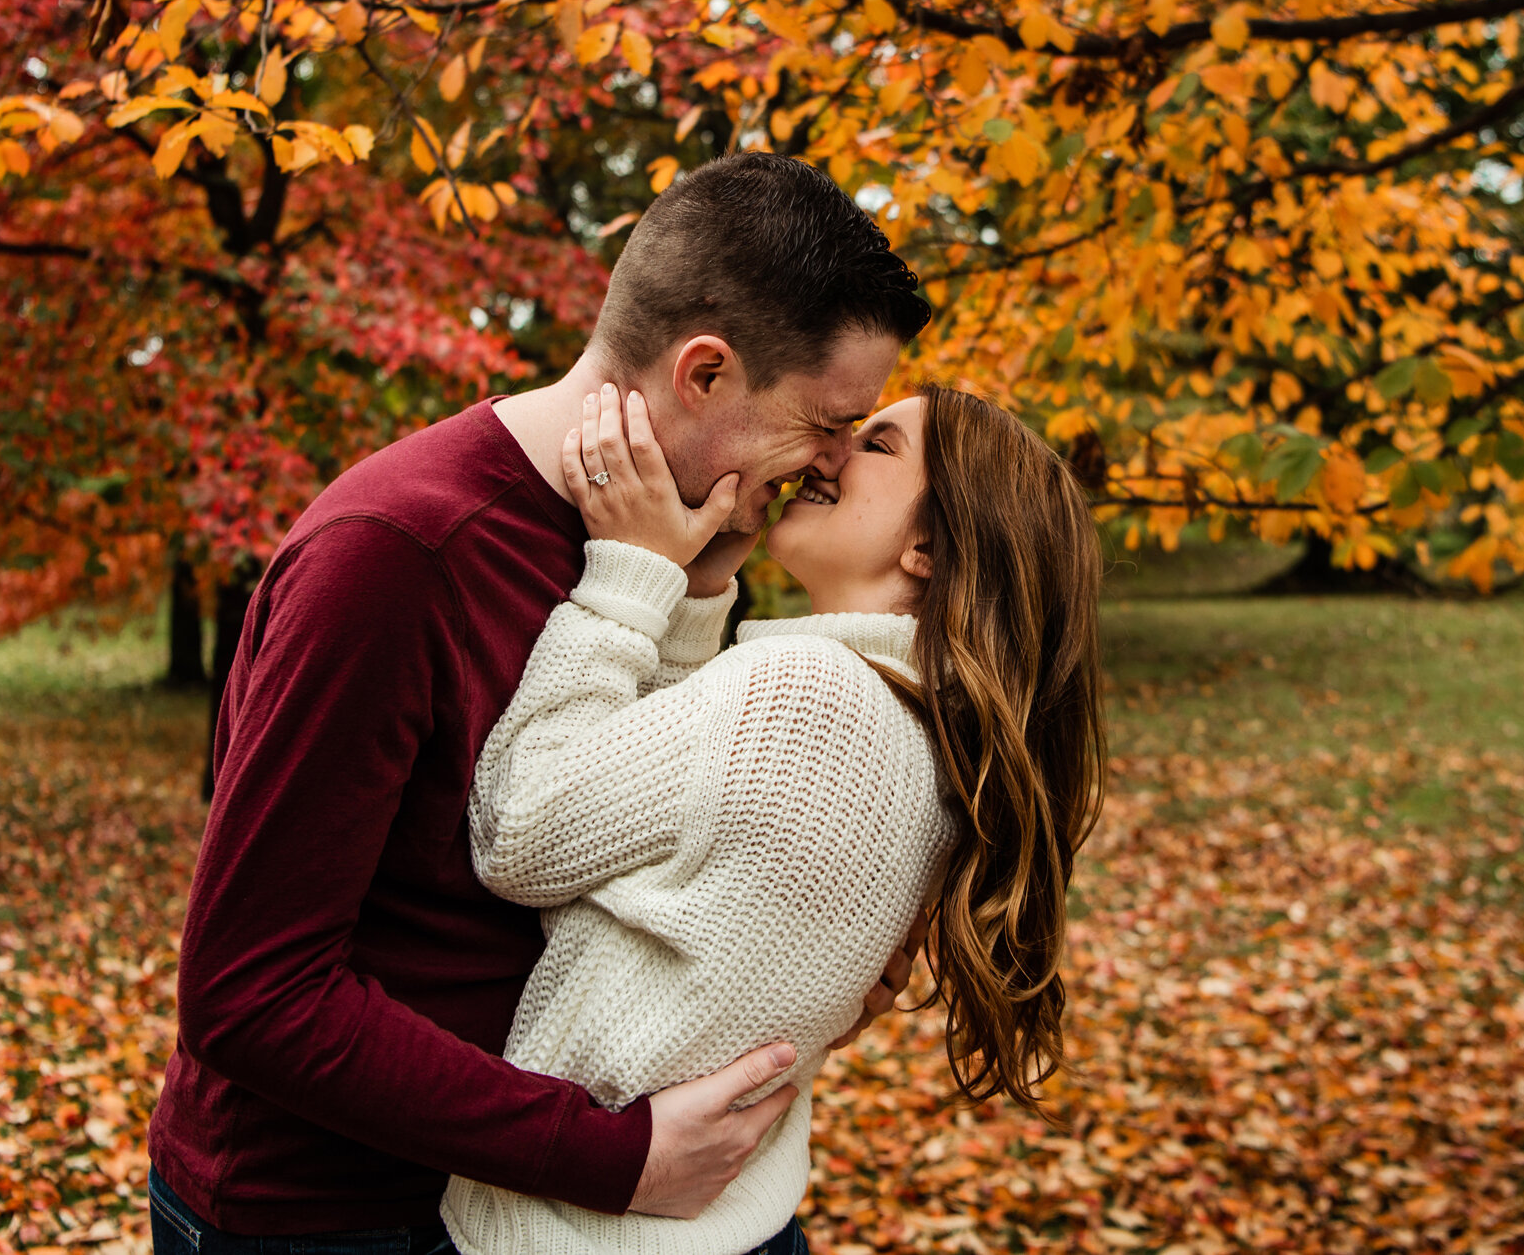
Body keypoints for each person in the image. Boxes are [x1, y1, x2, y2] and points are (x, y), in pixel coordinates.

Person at [145, 152, 933, 1253]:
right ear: (702, 375)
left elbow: (641, 864)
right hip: (344, 1213)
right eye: (825, 425)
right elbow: (250, 991)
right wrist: (612, 1154)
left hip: (570, 1201)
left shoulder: (698, 544)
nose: (830, 470)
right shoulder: (393, 556)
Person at [441, 383, 1107, 1255]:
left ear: (928, 547)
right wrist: (704, 584)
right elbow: (672, 826)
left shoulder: (807, 697)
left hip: (571, 1234)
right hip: (727, 1226)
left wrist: (628, 576)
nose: (827, 452)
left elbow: (518, 825)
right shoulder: (922, 729)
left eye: (876, 444)